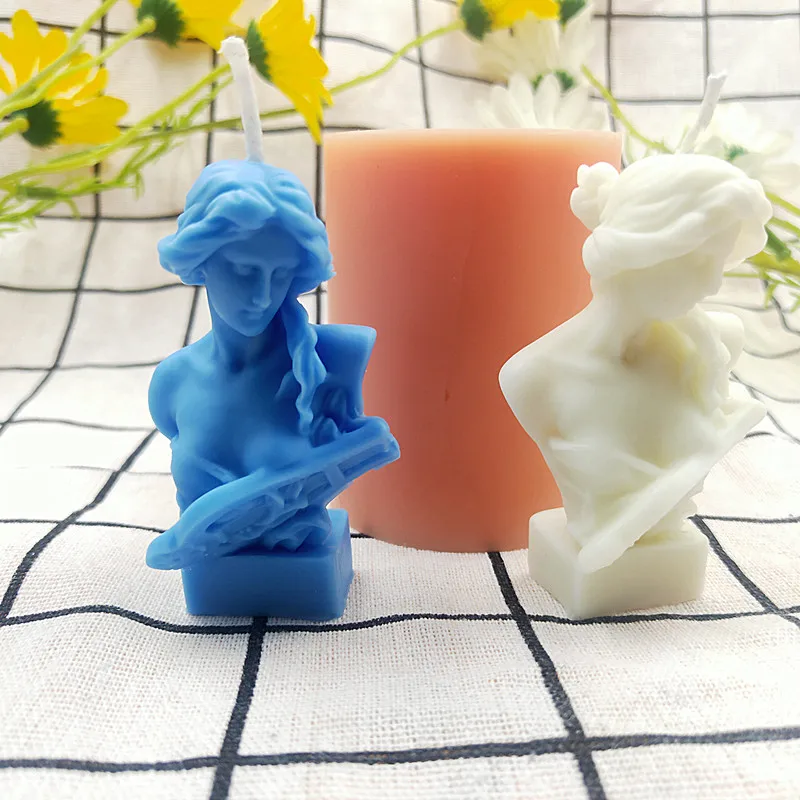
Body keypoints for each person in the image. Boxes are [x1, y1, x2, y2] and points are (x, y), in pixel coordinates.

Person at [500, 154, 771, 572]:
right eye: (701, 260)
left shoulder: (711, 346)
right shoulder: (534, 378)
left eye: (720, 263)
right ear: (642, 248)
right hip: (598, 560)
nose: (714, 282)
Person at [147, 159, 399, 569]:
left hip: (306, 574)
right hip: (215, 581)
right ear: (202, 260)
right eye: (244, 271)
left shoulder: (336, 360)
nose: (263, 296)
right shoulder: (171, 384)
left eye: (280, 274)